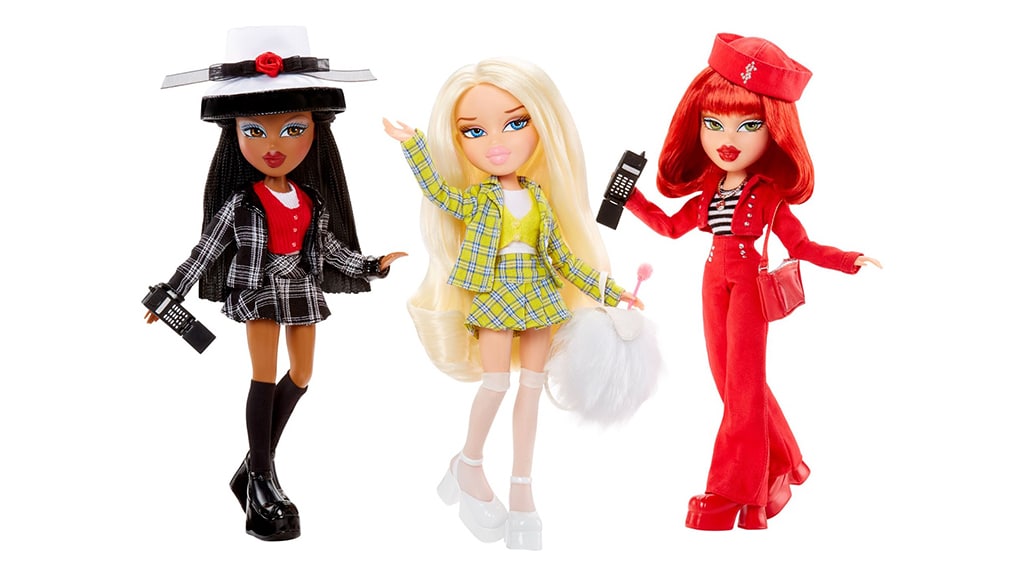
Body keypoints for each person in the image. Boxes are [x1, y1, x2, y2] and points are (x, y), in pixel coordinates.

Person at [146, 26, 405, 541]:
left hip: (302, 288)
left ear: (315, 131)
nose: (271, 146)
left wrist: (371, 265)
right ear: (234, 134)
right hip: (258, 290)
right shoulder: (240, 201)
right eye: (253, 130)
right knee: (263, 376)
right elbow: (206, 250)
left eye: (292, 129)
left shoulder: (312, 199)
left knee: (302, 375)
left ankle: (250, 465)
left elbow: (328, 249)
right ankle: (263, 478)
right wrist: (170, 292)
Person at [622, 33, 881, 530]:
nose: (728, 139)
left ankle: (733, 492)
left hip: (748, 288)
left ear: (774, 130)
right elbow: (671, 227)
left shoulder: (767, 195)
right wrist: (628, 196)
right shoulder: (708, 188)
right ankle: (784, 463)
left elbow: (800, 245)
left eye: (749, 125)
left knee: (741, 390)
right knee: (732, 384)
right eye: (713, 123)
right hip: (711, 283)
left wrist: (849, 259)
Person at [383, 58, 640, 550]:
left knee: (532, 390)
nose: (496, 142)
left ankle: (522, 488)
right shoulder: (478, 199)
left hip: (539, 295)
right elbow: (438, 193)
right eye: (474, 131)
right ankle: (469, 463)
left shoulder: (540, 198)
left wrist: (612, 291)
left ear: (541, 125)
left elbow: (563, 258)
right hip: (496, 293)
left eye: (516, 123)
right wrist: (413, 144)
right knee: (496, 384)